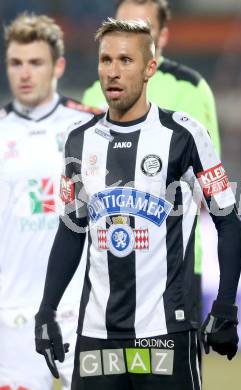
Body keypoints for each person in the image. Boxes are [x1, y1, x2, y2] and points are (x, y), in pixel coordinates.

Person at [35, 19, 241, 390]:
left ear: (149, 68)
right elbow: (71, 230)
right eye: (106, 60)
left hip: (166, 332)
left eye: (126, 61)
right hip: (97, 338)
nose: (113, 72)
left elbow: (228, 221)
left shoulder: (185, 134)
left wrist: (225, 308)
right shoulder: (79, 141)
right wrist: (47, 310)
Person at [82, 0, 221, 328]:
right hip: (107, 266)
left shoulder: (190, 88)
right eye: (120, 27)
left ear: (163, 37)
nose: (126, 38)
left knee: (173, 375)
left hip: (176, 264)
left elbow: (209, 182)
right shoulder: (91, 95)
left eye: (140, 29)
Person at [0, 13, 100, 390]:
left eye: (36, 63)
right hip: (13, 322)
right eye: (16, 63)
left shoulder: (92, 127)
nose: (25, 73)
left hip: (86, 316)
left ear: (58, 66)